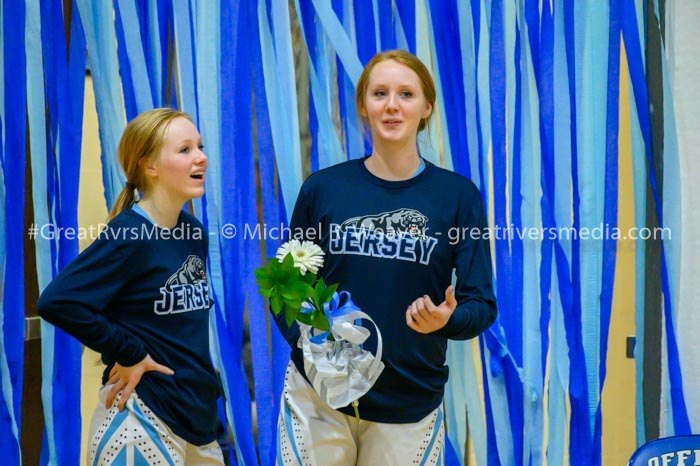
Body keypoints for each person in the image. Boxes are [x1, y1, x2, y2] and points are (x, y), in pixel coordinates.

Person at [273, 50, 497, 465]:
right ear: (364, 105)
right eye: (380, 93)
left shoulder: (457, 197)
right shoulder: (324, 189)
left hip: (409, 404)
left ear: (426, 107)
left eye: (406, 94)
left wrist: (447, 320)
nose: (392, 105)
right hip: (319, 399)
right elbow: (283, 287)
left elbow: (480, 305)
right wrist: (314, 350)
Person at [38, 108, 224, 465]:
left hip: (196, 418)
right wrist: (130, 352)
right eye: (185, 149)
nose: (201, 157)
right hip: (142, 416)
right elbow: (57, 301)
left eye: (199, 147)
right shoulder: (129, 234)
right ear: (150, 166)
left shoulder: (192, 232)